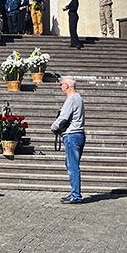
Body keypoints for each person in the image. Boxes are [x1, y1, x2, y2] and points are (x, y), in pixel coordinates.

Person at [50, 76, 86, 204]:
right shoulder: (79, 98)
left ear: (66, 86)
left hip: (72, 135)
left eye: (61, 85)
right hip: (79, 134)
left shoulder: (71, 99)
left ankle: (76, 195)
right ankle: (74, 192)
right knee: (71, 165)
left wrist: (53, 127)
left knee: (73, 166)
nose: (60, 87)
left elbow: (63, 117)